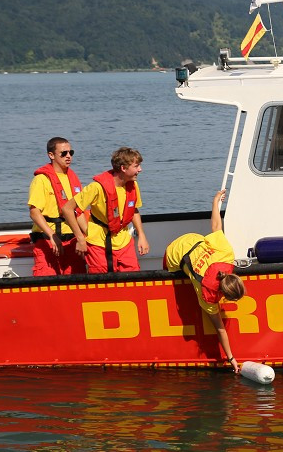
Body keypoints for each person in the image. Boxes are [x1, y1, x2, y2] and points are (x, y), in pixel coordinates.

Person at [164, 189, 247, 372]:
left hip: (193, 238)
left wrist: (216, 201)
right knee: (168, 280)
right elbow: (220, 329)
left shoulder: (226, 255)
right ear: (223, 294)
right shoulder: (206, 296)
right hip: (174, 253)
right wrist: (231, 358)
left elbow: (216, 228)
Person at [62, 147, 150, 274]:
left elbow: (134, 210)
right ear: (123, 168)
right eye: (136, 166)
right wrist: (80, 238)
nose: (140, 170)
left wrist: (142, 235)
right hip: (99, 244)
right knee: (101, 284)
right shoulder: (97, 187)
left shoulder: (133, 185)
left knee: (133, 279)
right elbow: (67, 209)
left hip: (124, 242)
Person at [28, 137, 88, 276]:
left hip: (72, 240)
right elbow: (34, 212)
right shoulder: (41, 180)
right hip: (47, 240)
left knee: (77, 280)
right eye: (63, 153)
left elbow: (78, 212)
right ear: (51, 155)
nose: (68, 156)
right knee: (45, 281)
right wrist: (52, 236)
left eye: (70, 153)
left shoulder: (73, 179)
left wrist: (87, 237)